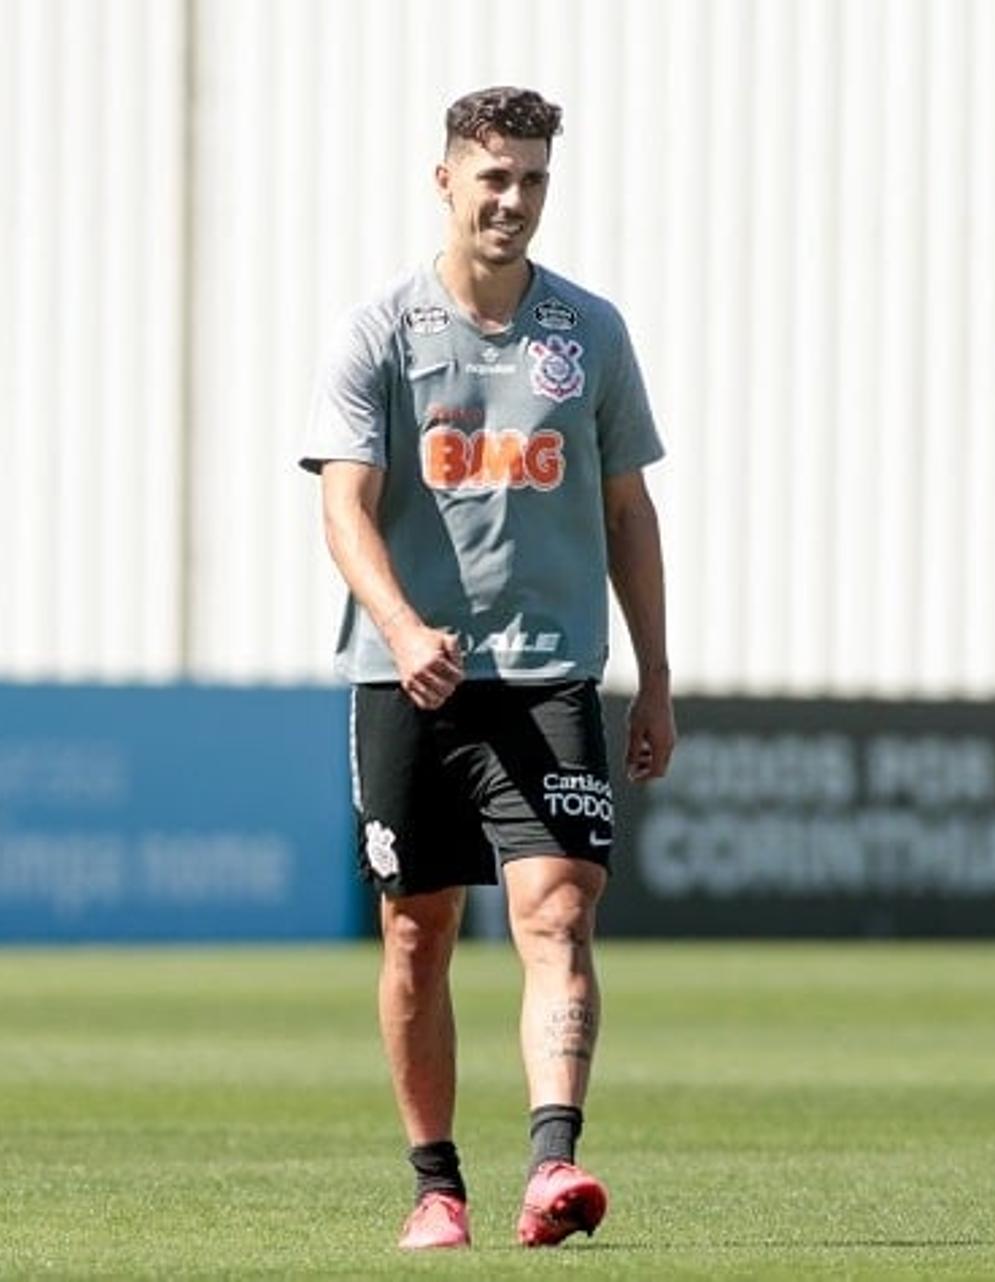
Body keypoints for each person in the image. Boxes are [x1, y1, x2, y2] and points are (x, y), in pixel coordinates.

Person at [300, 86, 675, 1251]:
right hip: (404, 679)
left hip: (552, 674)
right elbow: (343, 505)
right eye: (494, 177)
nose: (513, 200)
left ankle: (553, 1166)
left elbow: (628, 509)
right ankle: (435, 1186)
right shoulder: (379, 334)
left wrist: (656, 676)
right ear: (446, 181)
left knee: (558, 911)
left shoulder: (590, 335)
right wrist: (407, 628)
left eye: (533, 180)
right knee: (417, 931)